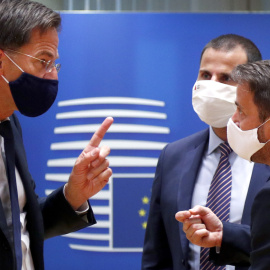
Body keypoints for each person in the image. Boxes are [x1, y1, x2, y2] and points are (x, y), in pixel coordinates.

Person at [0, 1, 113, 269]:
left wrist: (72, 195)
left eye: (54, 64)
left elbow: (16, 227)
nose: (52, 75)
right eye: (43, 60)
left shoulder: (10, 126)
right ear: (2, 60)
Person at [141, 34, 270, 270]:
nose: (212, 85)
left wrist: (227, 236)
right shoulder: (173, 156)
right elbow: (156, 254)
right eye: (205, 75)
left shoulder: (266, 156)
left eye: (226, 78)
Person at [175, 60, 270, 270]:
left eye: (241, 112)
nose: (233, 120)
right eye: (205, 75)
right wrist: (225, 235)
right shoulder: (173, 155)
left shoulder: (267, 195)